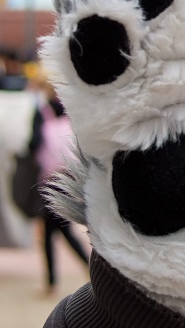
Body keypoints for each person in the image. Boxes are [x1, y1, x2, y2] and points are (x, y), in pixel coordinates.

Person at [28, 70, 90, 296]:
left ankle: (56, 280)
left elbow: (33, 142)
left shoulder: (42, 111)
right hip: (69, 173)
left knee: (57, 228)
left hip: (50, 176)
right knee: (56, 227)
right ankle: (60, 277)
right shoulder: (71, 109)